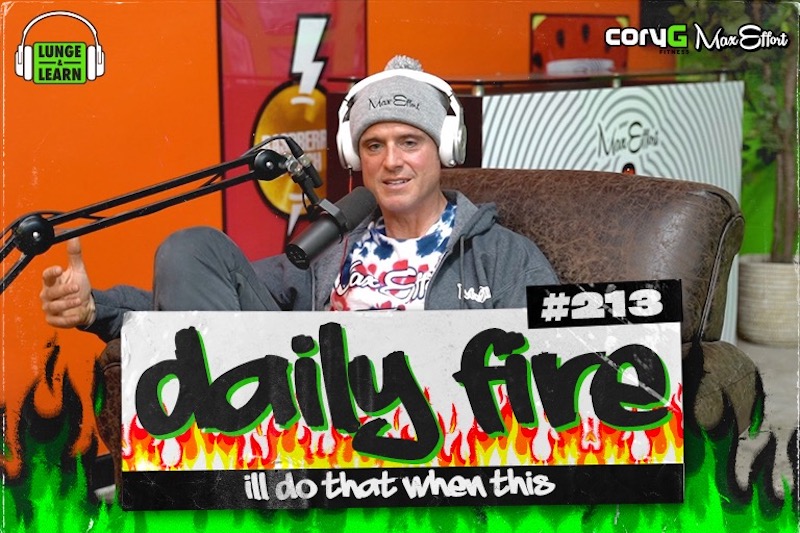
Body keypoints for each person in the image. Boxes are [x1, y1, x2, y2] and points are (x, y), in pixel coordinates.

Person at [40, 55, 558, 342]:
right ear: (355, 158)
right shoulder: (332, 247)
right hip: (307, 434)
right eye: (374, 145)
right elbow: (201, 299)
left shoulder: (501, 256)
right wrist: (96, 309)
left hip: (435, 443)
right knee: (191, 248)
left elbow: (565, 358)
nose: (391, 161)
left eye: (409, 142)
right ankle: (224, 474)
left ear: (444, 150)